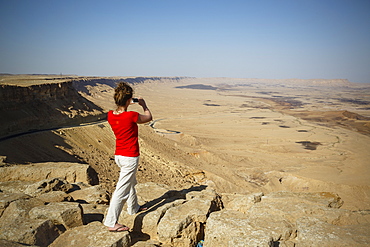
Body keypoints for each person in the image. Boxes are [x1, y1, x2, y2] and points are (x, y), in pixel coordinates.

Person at [103, 81, 152, 232]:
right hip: (130, 156)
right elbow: (148, 117)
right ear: (128, 100)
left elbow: (120, 114)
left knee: (130, 181)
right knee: (121, 189)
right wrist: (144, 105)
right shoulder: (131, 116)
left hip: (119, 156)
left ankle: (133, 207)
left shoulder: (110, 115)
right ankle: (111, 222)